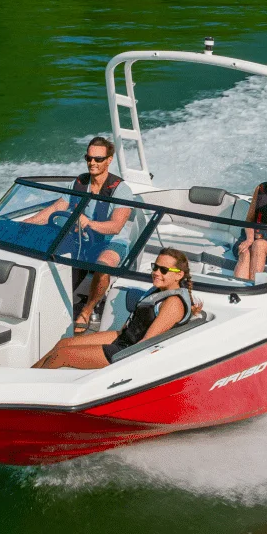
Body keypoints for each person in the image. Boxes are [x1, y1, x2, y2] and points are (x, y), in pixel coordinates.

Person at [24, 136, 133, 331]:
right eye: (89, 158)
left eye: (98, 159)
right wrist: (28, 223)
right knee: (44, 250)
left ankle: (86, 310)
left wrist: (88, 223)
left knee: (103, 265)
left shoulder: (121, 190)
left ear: (109, 160)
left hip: (111, 242)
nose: (92, 162)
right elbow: (56, 207)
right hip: (81, 238)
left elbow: (116, 226)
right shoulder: (79, 183)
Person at [33, 249, 195, 369]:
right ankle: (27, 378)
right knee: (63, 343)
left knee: (62, 355)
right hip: (123, 338)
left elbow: (145, 344)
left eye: (163, 270)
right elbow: (129, 328)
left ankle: (30, 391)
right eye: (155, 267)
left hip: (127, 351)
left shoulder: (173, 303)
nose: (156, 272)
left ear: (179, 275)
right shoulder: (158, 291)